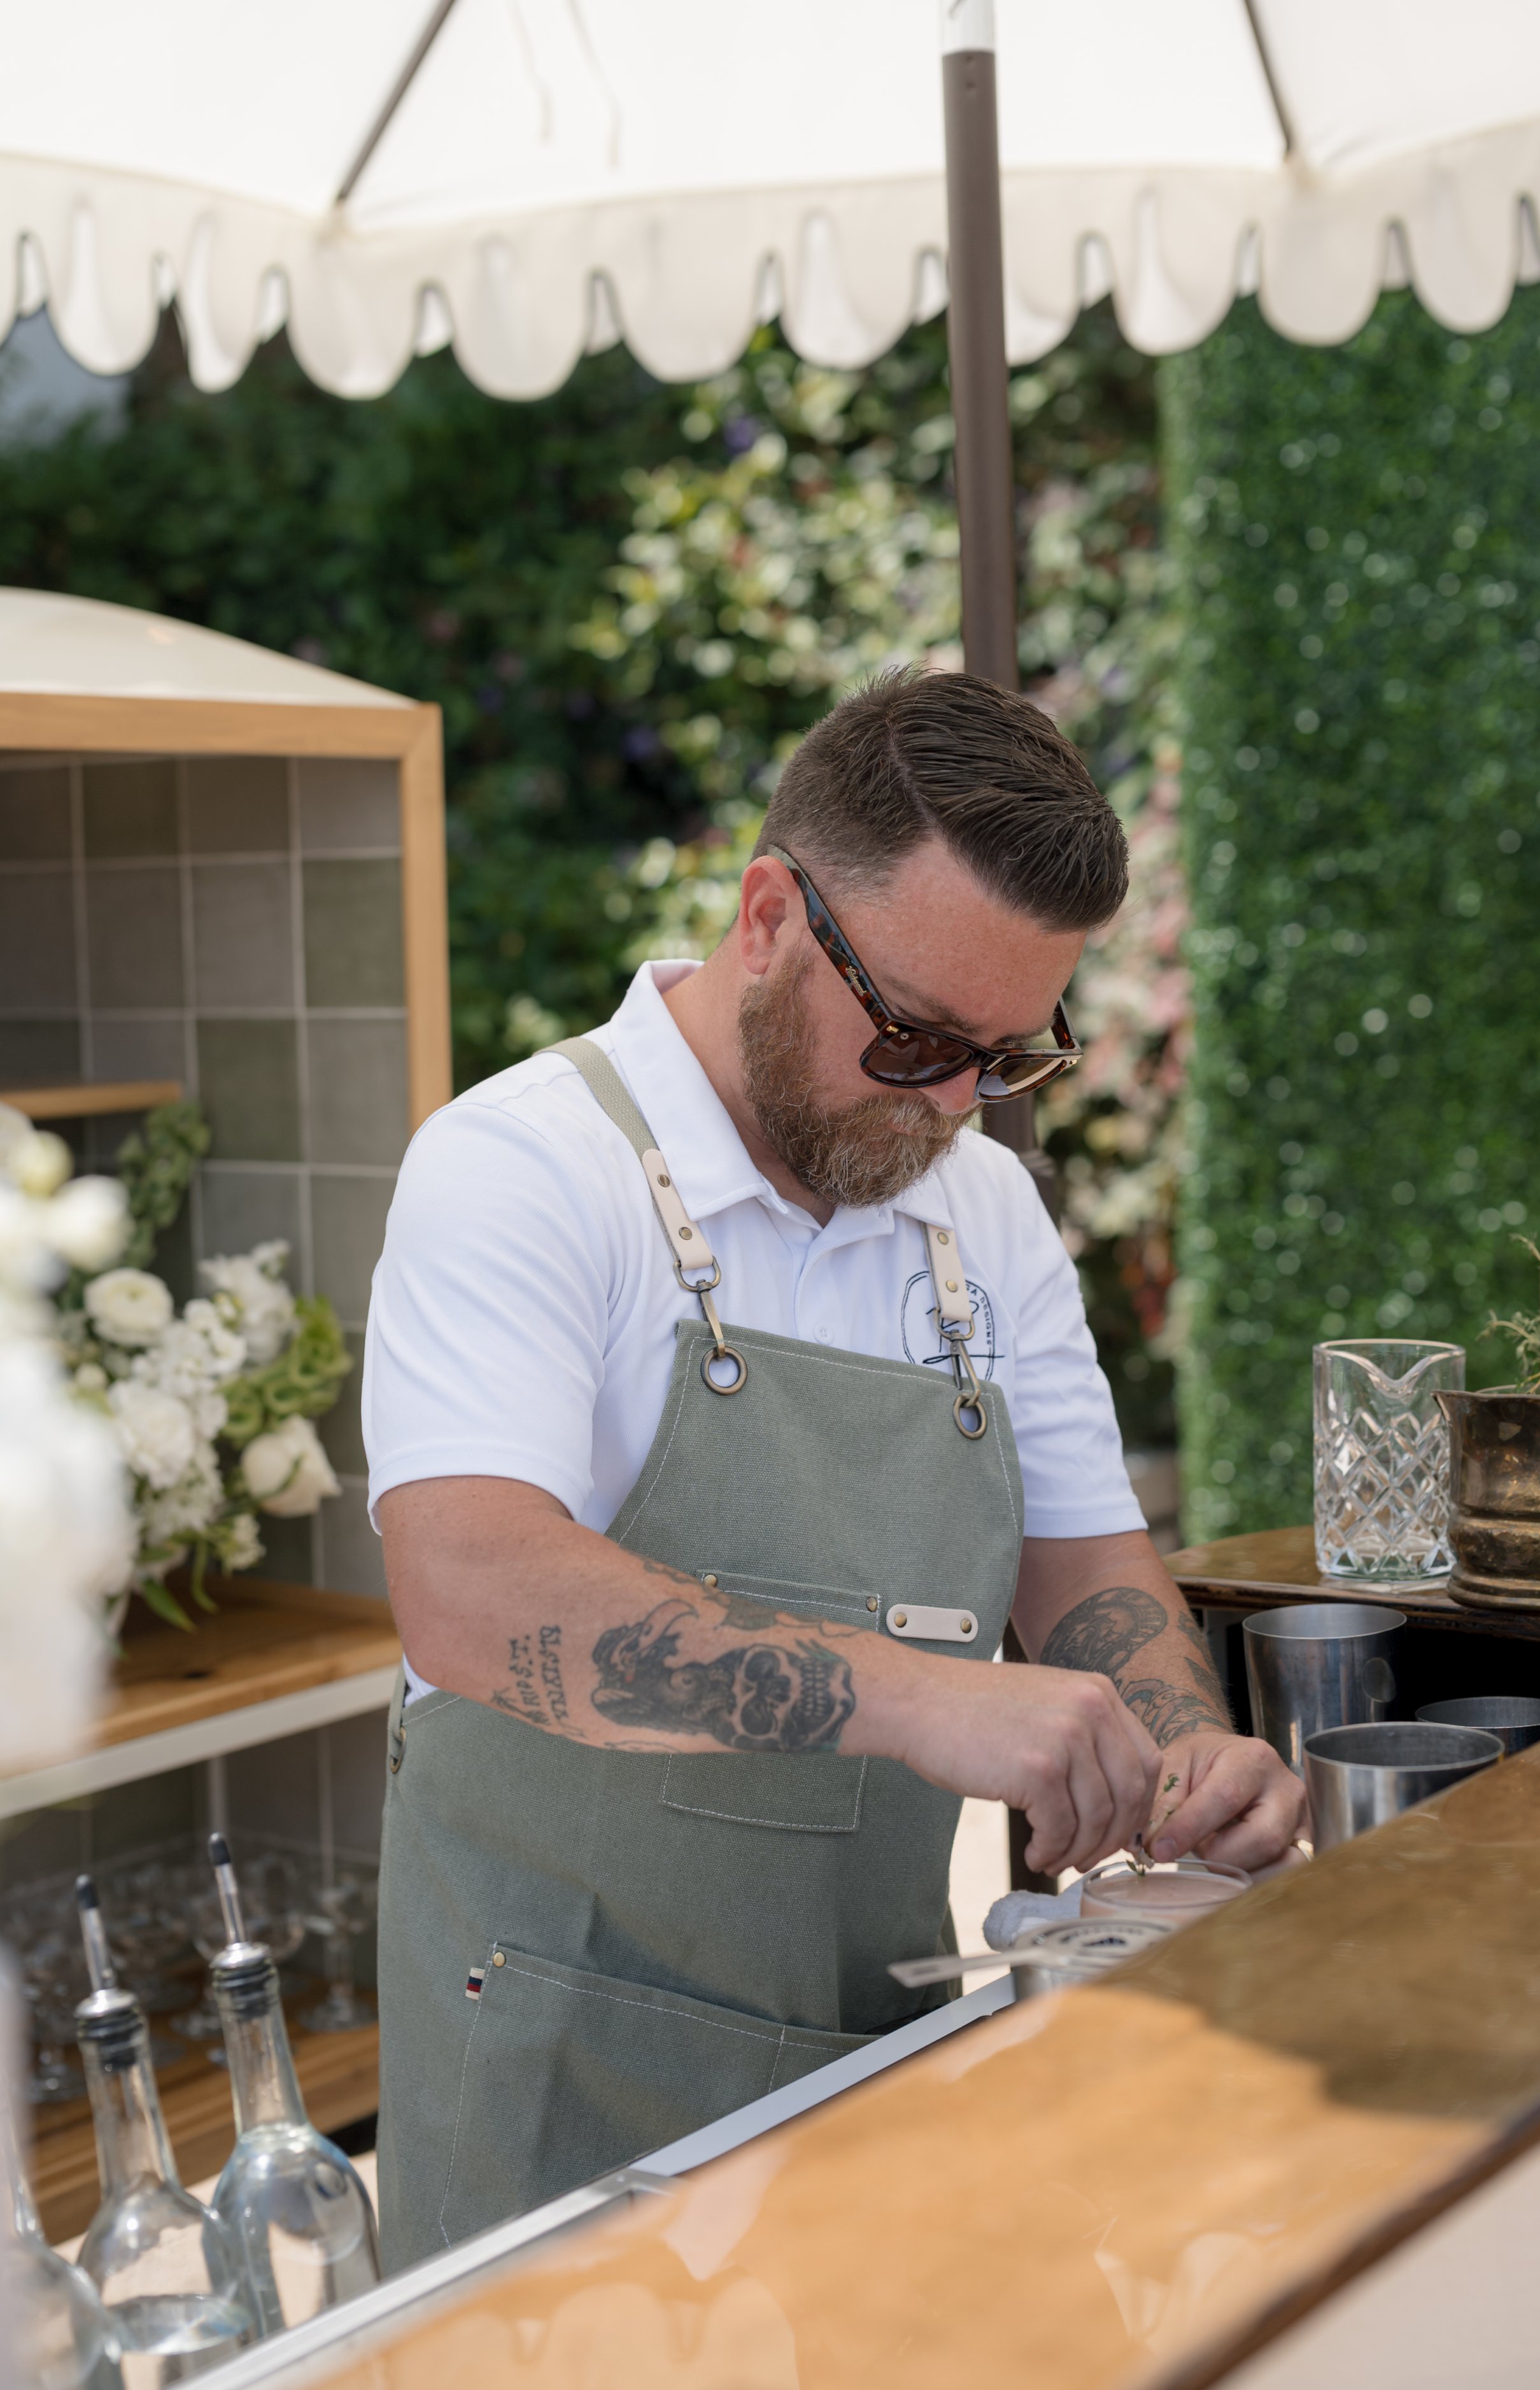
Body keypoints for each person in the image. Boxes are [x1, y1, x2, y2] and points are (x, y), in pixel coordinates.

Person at [365, 669, 1304, 2268]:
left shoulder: (982, 1215)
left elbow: (1082, 1564)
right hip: (553, 2069)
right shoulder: (519, 1167)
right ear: (768, 916)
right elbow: (467, 1589)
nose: (954, 1101)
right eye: (916, 1038)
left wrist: (1184, 1749)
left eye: (1008, 1055)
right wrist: (925, 1693)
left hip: (868, 2043)